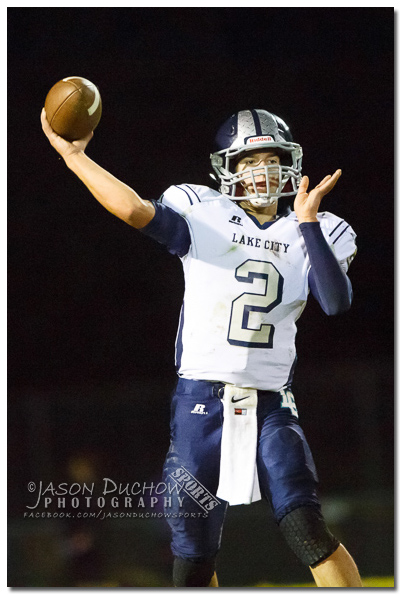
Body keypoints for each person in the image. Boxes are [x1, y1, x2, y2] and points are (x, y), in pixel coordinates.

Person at [41, 107, 362, 588]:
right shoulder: (202, 210)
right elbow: (133, 210)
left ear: (291, 164)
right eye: (250, 160)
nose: (263, 171)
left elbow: (335, 302)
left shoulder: (318, 228)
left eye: (272, 158)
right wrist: (75, 159)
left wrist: (309, 222)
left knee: (306, 528)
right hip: (200, 404)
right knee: (192, 555)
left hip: (271, 405)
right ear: (228, 169)